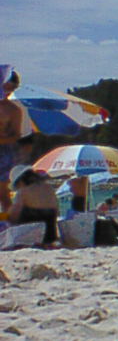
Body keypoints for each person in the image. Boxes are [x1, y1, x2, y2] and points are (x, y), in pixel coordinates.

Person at [8, 165, 59, 245]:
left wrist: (3, 217)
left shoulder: (22, 192)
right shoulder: (49, 188)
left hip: (32, 237)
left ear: (20, 181)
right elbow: (56, 211)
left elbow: (13, 215)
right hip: (50, 235)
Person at [0, 67, 26, 213]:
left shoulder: (14, 110)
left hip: (4, 153)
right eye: (7, 88)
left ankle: (8, 222)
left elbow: (16, 135)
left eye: (12, 89)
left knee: (3, 194)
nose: (8, 92)